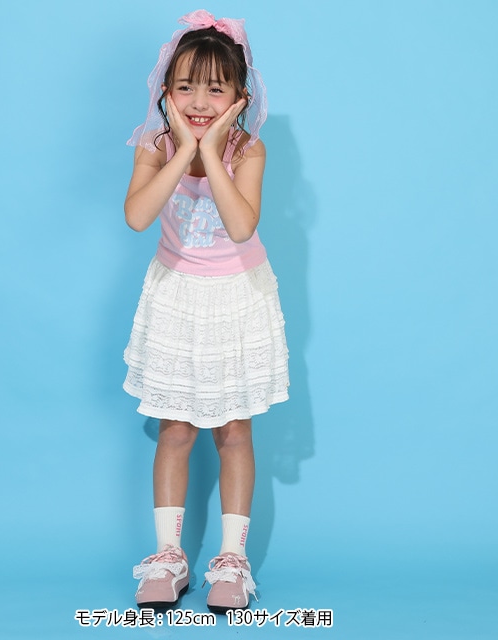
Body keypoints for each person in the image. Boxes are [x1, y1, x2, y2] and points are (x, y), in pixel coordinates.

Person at [123, 9, 289, 613]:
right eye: (185, 86)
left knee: (234, 428)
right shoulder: (154, 146)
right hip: (176, 295)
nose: (199, 101)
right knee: (175, 428)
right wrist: (184, 149)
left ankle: (232, 559)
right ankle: (169, 556)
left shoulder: (249, 150)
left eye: (216, 89)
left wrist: (212, 150)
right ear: (166, 92)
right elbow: (138, 216)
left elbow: (242, 225)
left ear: (240, 98)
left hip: (237, 296)